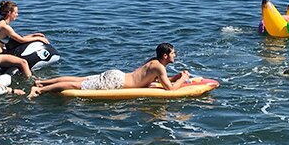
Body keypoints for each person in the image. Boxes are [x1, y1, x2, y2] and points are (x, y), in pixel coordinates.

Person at [28, 43, 190, 98]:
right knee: (75, 85)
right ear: (165, 55)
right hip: (117, 82)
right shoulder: (159, 67)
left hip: (117, 75)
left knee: (79, 79)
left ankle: (42, 82)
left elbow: (160, 80)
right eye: (173, 53)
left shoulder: (154, 63)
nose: (175, 55)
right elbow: (170, 90)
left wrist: (177, 76)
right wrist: (183, 80)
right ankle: (39, 91)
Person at [0, 0, 50, 78]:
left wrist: (33, 35)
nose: (17, 15)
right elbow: (21, 40)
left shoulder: (1, 23)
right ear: (9, 13)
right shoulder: (4, 27)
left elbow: (18, 38)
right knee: (23, 62)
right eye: (15, 13)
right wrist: (39, 39)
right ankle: (33, 82)